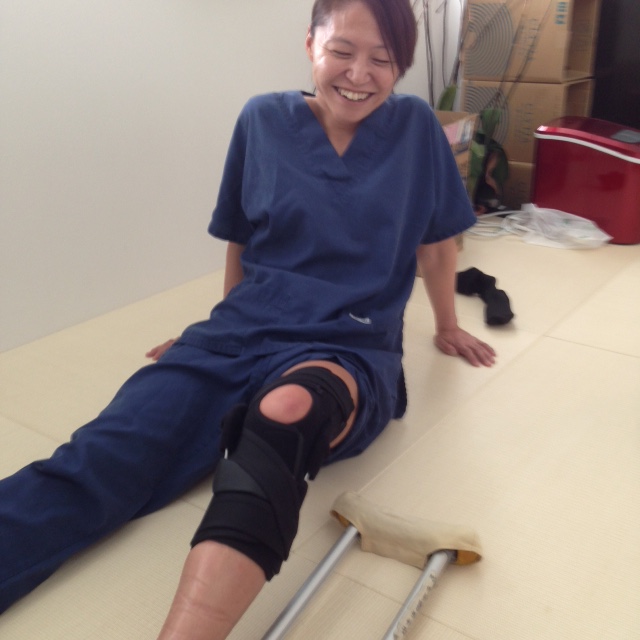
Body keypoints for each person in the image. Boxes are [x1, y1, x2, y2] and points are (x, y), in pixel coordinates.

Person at [0, 0, 495, 638]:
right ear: (311, 43)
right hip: (241, 329)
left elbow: (436, 242)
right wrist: (216, 327)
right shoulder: (262, 119)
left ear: (400, 64)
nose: (359, 74)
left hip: (348, 341)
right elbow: (241, 235)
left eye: (382, 59)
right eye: (342, 51)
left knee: (285, 414)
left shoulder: (417, 127)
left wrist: (446, 325)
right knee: (104, 451)